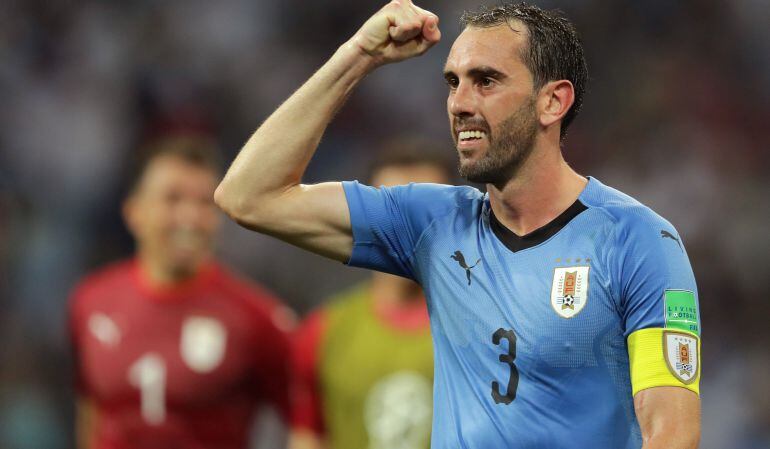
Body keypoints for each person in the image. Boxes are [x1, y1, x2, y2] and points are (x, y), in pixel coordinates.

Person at [214, 2, 701, 448]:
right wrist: (357, 55)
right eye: (453, 82)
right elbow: (249, 196)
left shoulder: (637, 241)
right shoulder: (431, 225)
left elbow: (672, 433)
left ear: (552, 102)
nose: (459, 103)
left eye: (485, 81)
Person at [69, 136, 294, 449]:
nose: (190, 218)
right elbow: (92, 411)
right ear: (134, 212)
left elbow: (309, 423)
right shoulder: (91, 301)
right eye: (172, 199)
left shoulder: (256, 318)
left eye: (204, 203)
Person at [290, 142, 452, 449]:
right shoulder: (325, 330)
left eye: (425, 210)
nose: (408, 225)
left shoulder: (486, 325)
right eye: (393, 208)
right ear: (363, 218)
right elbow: (308, 437)